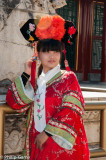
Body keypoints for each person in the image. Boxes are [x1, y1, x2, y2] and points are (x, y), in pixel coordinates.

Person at [6, 15, 90, 160]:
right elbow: (15, 103)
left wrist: (46, 134)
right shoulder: (37, 82)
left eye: (56, 51)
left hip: (59, 142)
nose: (52, 56)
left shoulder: (68, 78)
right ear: (37, 54)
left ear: (61, 53)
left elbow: (72, 110)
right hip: (37, 141)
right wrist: (26, 73)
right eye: (46, 51)